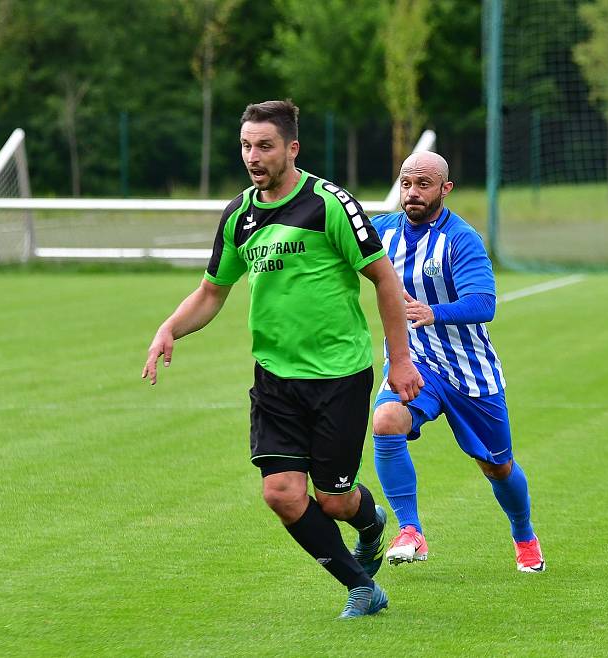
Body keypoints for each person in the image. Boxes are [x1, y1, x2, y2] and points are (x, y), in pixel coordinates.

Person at [142, 99, 424, 618]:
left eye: (265, 145)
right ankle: (361, 586)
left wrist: (399, 360)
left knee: (335, 501)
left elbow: (384, 278)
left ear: (292, 148)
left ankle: (370, 522)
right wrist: (170, 327)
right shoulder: (239, 216)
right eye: (247, 145)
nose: (254, 156)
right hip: (275, 380)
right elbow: (211, 292)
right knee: (282, 493)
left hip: (339, 375)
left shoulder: (329, 204)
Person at [370, 151, 545, 573]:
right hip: (417, 363)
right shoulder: (381, 232)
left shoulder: (461, 239)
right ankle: (410, 531)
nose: (413, 193)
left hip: (471, 371)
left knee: (497, 466)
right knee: (386, 420)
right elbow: (334, 246)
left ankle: (524, 535)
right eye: (407, 183)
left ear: (445, 189)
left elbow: (484, 302)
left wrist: (434, 312)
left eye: (424, 184)